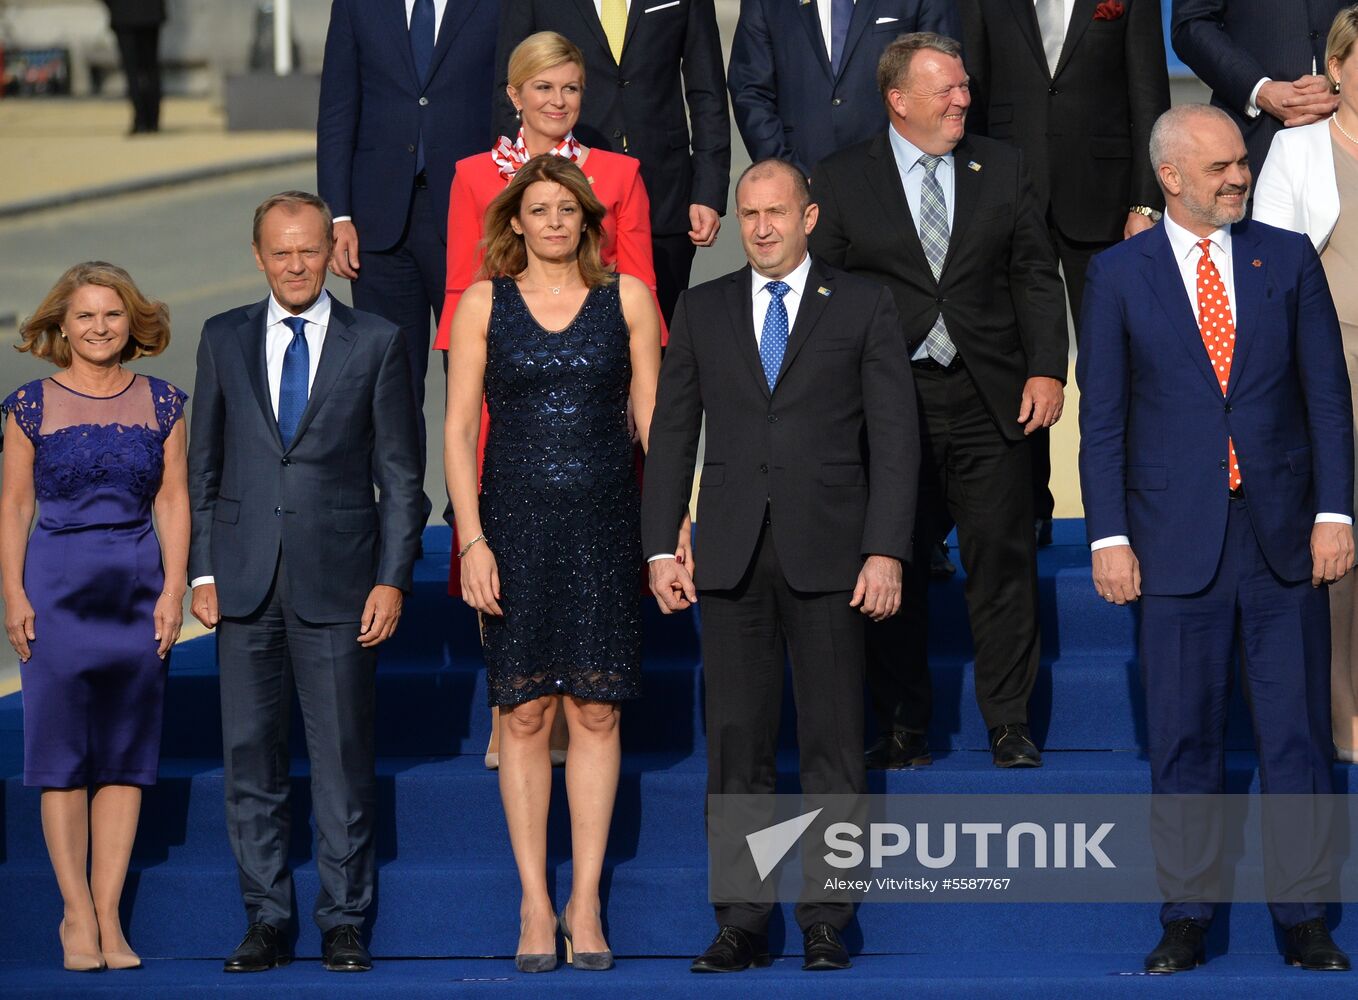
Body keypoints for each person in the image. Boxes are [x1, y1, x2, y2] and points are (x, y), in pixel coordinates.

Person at [1078, 103, 1354, 973]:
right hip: (1172, 543)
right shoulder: (1119, 275)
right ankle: (1187, 915)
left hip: (1280, 541)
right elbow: (1106, 422)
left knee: (1297, 738)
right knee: (1186, 736)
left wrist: (1335, 514)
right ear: (1170, 178)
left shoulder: (1288, 256)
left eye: (1241, 163)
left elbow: (1326, 400)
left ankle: (1305, 918)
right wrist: (1108, 536)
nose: (1238, 176)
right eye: (1220, 168)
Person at [643, 158, 918, 973]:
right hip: (728, 557)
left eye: (777, 212)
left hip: (833, 554)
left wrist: (885, 548)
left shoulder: (864, 303)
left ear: (809, 216)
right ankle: (742, 921)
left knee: (834, 742)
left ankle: (827, 918)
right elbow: (672, 435)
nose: (761, 227)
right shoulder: (703, 307)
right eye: (749, 213)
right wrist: (662, 541)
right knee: (737, 746)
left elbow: (896, 439)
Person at [809, 33, 1068, 771]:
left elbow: (1035, 276)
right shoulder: (841, 177)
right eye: (947, 89)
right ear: (898, 100)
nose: (964, 99)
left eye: (963, 87)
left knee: (1004, 566)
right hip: (893, 406)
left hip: (992, 400)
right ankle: (902, 726)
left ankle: (1009, 723)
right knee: (894, 565)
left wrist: (1047, 369)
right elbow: (827, 294)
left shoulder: (1003, 167)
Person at [187, 191, 424, 975]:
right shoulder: (222, 337)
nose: (295, 265)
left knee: (343, 760)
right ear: (259, 255)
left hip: (342, 583)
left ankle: (344, 920)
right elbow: (205, 467)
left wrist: (392, 580)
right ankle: (266, 920)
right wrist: (204, 568)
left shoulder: (379, 340)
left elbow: (401, 474)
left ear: (332, 251)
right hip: (245, 582)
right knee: (250, 759)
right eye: (280, 252)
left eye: (309, 250)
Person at [445, 155, 661, 972]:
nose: (554, 223)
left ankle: (587, 899)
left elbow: (654, 424)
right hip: (514, 527)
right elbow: (460, 432)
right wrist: (471, 539)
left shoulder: (628, 300)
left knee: (598, 711)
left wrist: (668, 527)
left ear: (588, 222)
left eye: (568, 211)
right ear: (516, 223)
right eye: (539, 211)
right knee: (527, 712)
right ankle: (536, 900)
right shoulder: (481, 305)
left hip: (607, 525)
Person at [0, 262, 188, 972]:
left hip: (136, 587)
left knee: (125, 757)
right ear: (62, 324)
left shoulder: (165, 401)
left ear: (131, 322)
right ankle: (74, 914)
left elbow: (173, 501)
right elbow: (14, 506)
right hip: (54, 586)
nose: (100, 328)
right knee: (61, 758)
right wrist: (13, 595)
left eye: (112, 315)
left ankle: (111, 917)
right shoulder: (28, 404)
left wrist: (172, 591)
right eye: (85, 316)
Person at [959, 0, 1170, 545]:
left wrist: (1145, 205)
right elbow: (971, 94)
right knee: (1017, 363)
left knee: (1112, 365)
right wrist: (971, 197)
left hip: (1103, 201)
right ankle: (1029, 506)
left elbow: (1150, 94)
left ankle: (1124, 513)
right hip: (1008, 198)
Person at [317, 0, 498, 524]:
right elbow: (337, 107)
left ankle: (475, 506)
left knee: (477, 371)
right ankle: (402, 511)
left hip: (472, 220)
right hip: (378, 222)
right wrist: (339, 215)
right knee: (391, 379)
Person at [1253, 5, 1358, 764]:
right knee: (1341, 537)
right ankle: (1344, 716)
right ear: (1338, 65)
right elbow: (1270, 265)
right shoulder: (1295, 149)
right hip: (1333, 360)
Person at [494, 0, 731, 322]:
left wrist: (708, 190)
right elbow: (508, 86)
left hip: (664, 192)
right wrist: (523, 181)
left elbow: (708, 91)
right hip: (563, 193)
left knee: (656, 332)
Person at [728, 0, 960, 177]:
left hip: (898, 179)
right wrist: (788, 174)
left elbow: (943, 79)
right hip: (804, 180)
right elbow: (750, 90)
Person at [1172, 0, 1347, 197]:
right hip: (1255, 138)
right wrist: (1260, 90)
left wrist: (1342, 81)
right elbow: (1191, 24)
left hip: (1346, 130)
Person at [102, 0, 165, 135]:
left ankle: (140, 119)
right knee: (151, 68)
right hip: (150, 12)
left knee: (132, 70)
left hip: (124, 12)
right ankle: (153, 120)